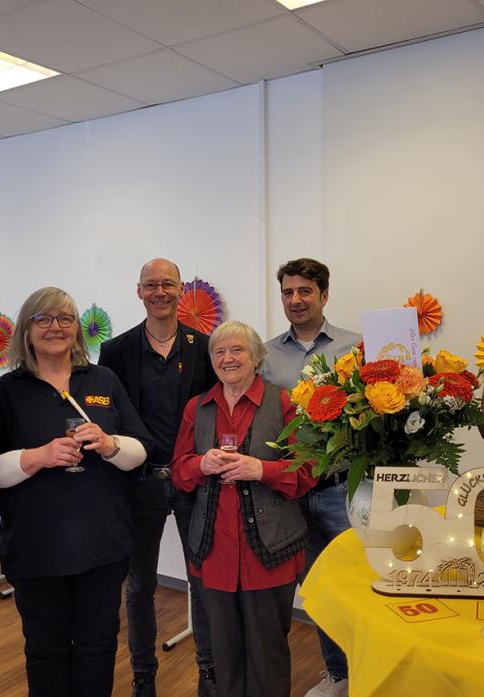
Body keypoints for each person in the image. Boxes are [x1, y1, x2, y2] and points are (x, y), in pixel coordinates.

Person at [0, 286, 152, 697]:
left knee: (98, 646)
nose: (56, 327)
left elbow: (141, 451)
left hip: (103, 547)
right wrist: (40, 456)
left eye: (65, 319)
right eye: (44, 319)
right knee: (46, 650)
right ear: (27, 329)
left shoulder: (103, 379)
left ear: (77, 330)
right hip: (37, 550)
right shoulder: (8, 390)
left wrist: (109, 445)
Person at [172, 320, 316, 697]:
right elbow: (179, 471)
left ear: (256, 358)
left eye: (237, 350)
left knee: (268, 651)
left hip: (269, 553)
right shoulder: (197, 407)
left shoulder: (283, 402)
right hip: (213, 551)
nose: (227, 358)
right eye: (219, 352)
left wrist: (262, 469)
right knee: (223, 653)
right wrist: (201, 465)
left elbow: (307, 469)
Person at [98, 258, 218, 697]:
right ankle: (143, 677)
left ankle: (209, 672)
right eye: (152, 285)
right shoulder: (115, 351)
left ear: (181, 289)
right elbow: (109, 415)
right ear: (138, 291)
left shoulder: (204, 347)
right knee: (140, 587)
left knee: (202, 582)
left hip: (192, 481)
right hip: (139, 483)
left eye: (168, 284)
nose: (160, 292)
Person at [260, 258, 360, 697]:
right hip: (292, 493)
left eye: (305, 291)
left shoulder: (357, 347)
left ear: (324, 295)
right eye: (288, 292)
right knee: (318, 591)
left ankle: (369, 673)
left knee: (358, 587)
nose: (295, 300)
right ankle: (338, 674)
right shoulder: (265, 355)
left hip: (343, 490)